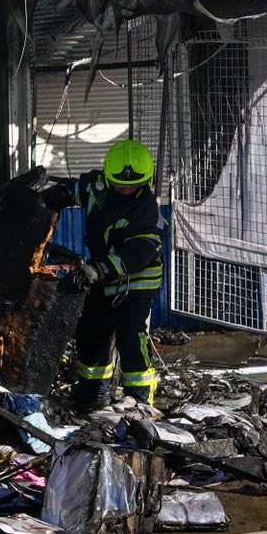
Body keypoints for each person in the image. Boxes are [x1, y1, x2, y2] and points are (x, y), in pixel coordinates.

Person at [27, 139, 166, 413]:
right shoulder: (97, 186)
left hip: (137, 278)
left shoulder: (147, 211)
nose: (126, 189)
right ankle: (93, 395)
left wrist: (97, 269)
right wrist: (55, 197)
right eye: (119, 184)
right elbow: (75, 190)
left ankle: (139, 399)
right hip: (102, 274)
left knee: (130, 333)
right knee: (91, 330)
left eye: (133, 185)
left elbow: (137, 256)